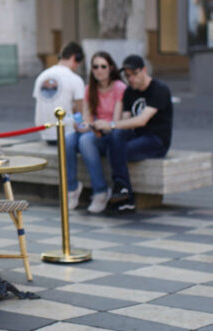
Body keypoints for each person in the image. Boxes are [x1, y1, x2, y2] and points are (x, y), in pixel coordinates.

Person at [93, 55, 173, 215]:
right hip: (136, 137)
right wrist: (106, 129)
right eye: (127, 76)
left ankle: (124, 195)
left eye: (134, 74)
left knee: (115, 149)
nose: (131, 79)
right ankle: (122, 191)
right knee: (113, 139)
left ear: (144, 70)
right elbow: (125, 121)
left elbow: (142, 120)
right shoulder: (130, 92)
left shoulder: (159, 89)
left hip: (156, 140)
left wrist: (112, 125)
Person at [65, 51, 126, 213]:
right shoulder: (89, 89)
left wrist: (101, 126)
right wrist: (83, 125)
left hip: (109, 133)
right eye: (95, 67)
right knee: (68, 139)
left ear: (111, 68)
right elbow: (87, 117)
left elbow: (116, 120)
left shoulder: (119, 88)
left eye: (103, 66)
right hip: (93, 130)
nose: (99, 70)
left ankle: (101, 190)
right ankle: (71, 188)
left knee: (85, 141)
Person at [33, 42, 85, 145]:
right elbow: (81, 111)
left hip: (45, 133)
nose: (77, 66)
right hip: (67, 133)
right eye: (78, 62)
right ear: (75, 57)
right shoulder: (75, 79)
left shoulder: (42, 76)